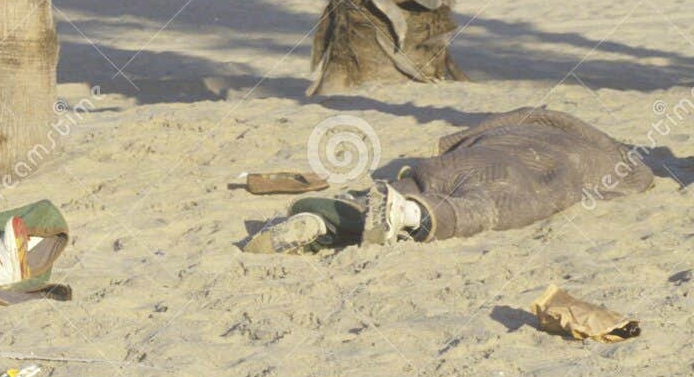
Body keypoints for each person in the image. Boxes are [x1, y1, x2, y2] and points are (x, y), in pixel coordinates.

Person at [246, 108, 657, 254]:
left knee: (412, 185)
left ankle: (328, 219)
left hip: (456, 160)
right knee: (489, 207)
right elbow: (638, 177)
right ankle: (412, 217)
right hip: (514, 173)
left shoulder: (502, 129)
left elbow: (454, 140)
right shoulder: (592, 152)